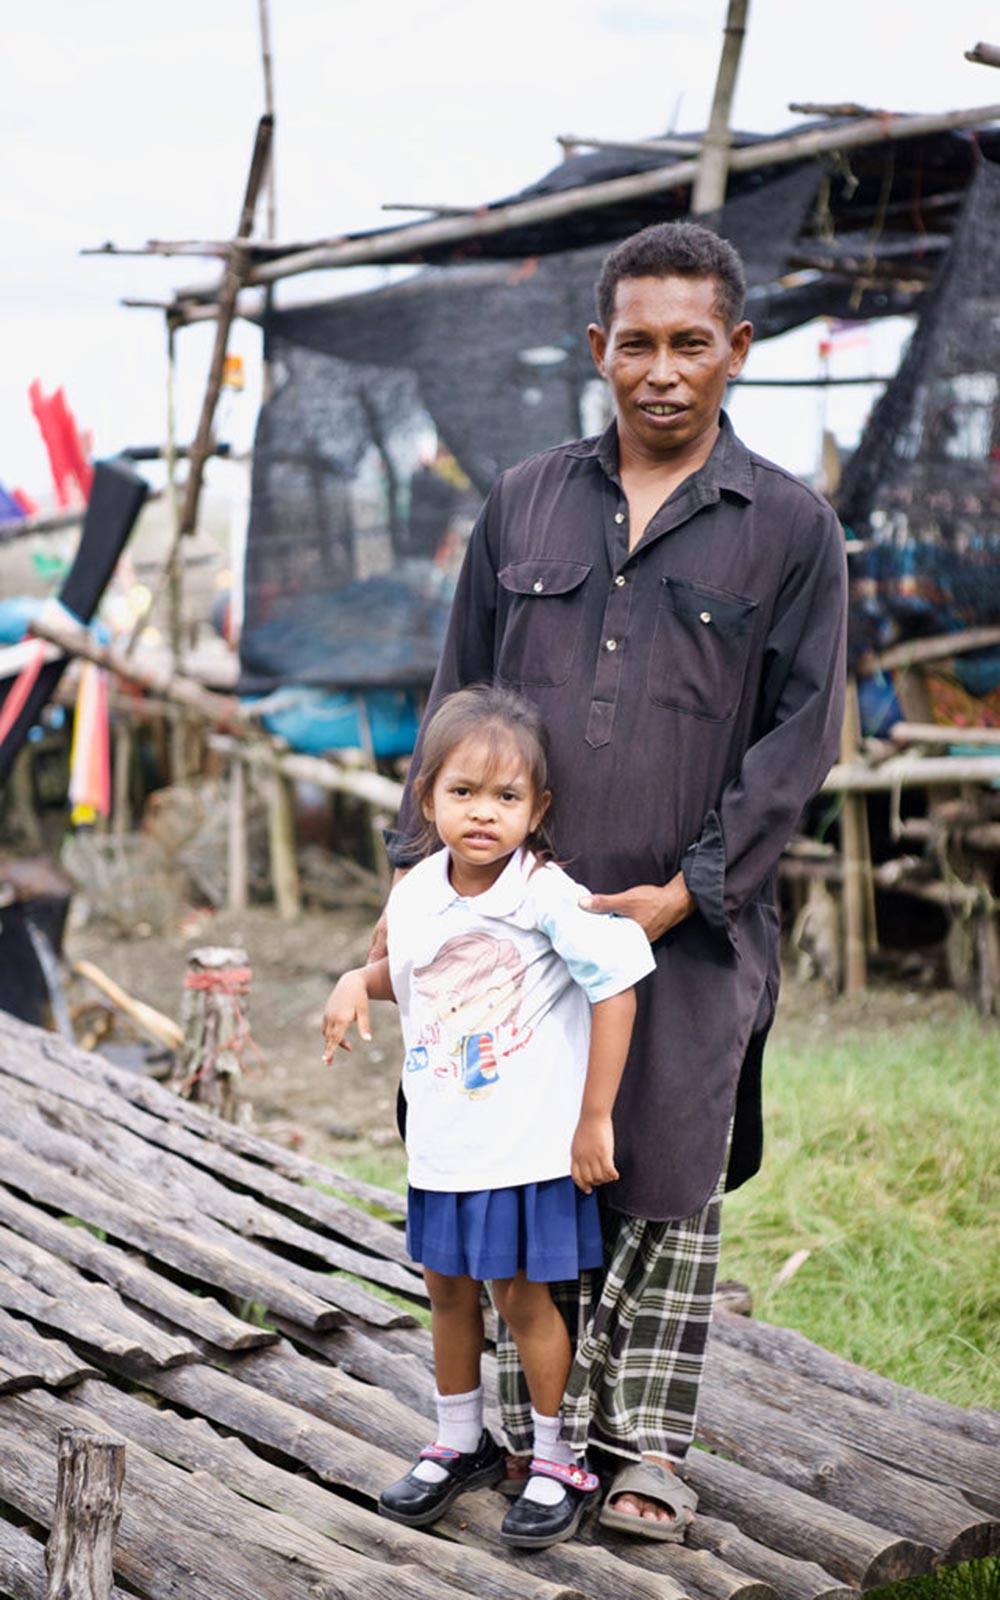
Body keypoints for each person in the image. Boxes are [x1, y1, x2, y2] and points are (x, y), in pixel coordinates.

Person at [376, 220, 848, 1539]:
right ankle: (541, 1442)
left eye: (690, 343)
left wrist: (691, 891)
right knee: (518, 1165)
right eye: (634, 342)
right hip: (511, 934)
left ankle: (645, 1447)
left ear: (736, 351)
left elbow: (801, 734)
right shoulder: (523, 500)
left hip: (688, 927)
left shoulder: (792, 529)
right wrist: (418, 872)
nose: (660, 369)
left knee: (663, 1163)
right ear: (597, 350)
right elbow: (454, 700)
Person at [322, 684, 655, 1548]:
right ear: (427, 795)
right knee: (445, 1293)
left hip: (525, 1144)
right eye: (463, 793)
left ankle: (557, 1460)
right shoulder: (418, 893)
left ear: (537, 809)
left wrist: (595, 1119)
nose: (482, 814)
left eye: (507, 797)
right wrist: (357, 980)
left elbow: (618, 982)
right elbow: (413, 971)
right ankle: (459, 1442)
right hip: (445, 1142)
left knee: (523, 1299)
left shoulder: (546, 895)